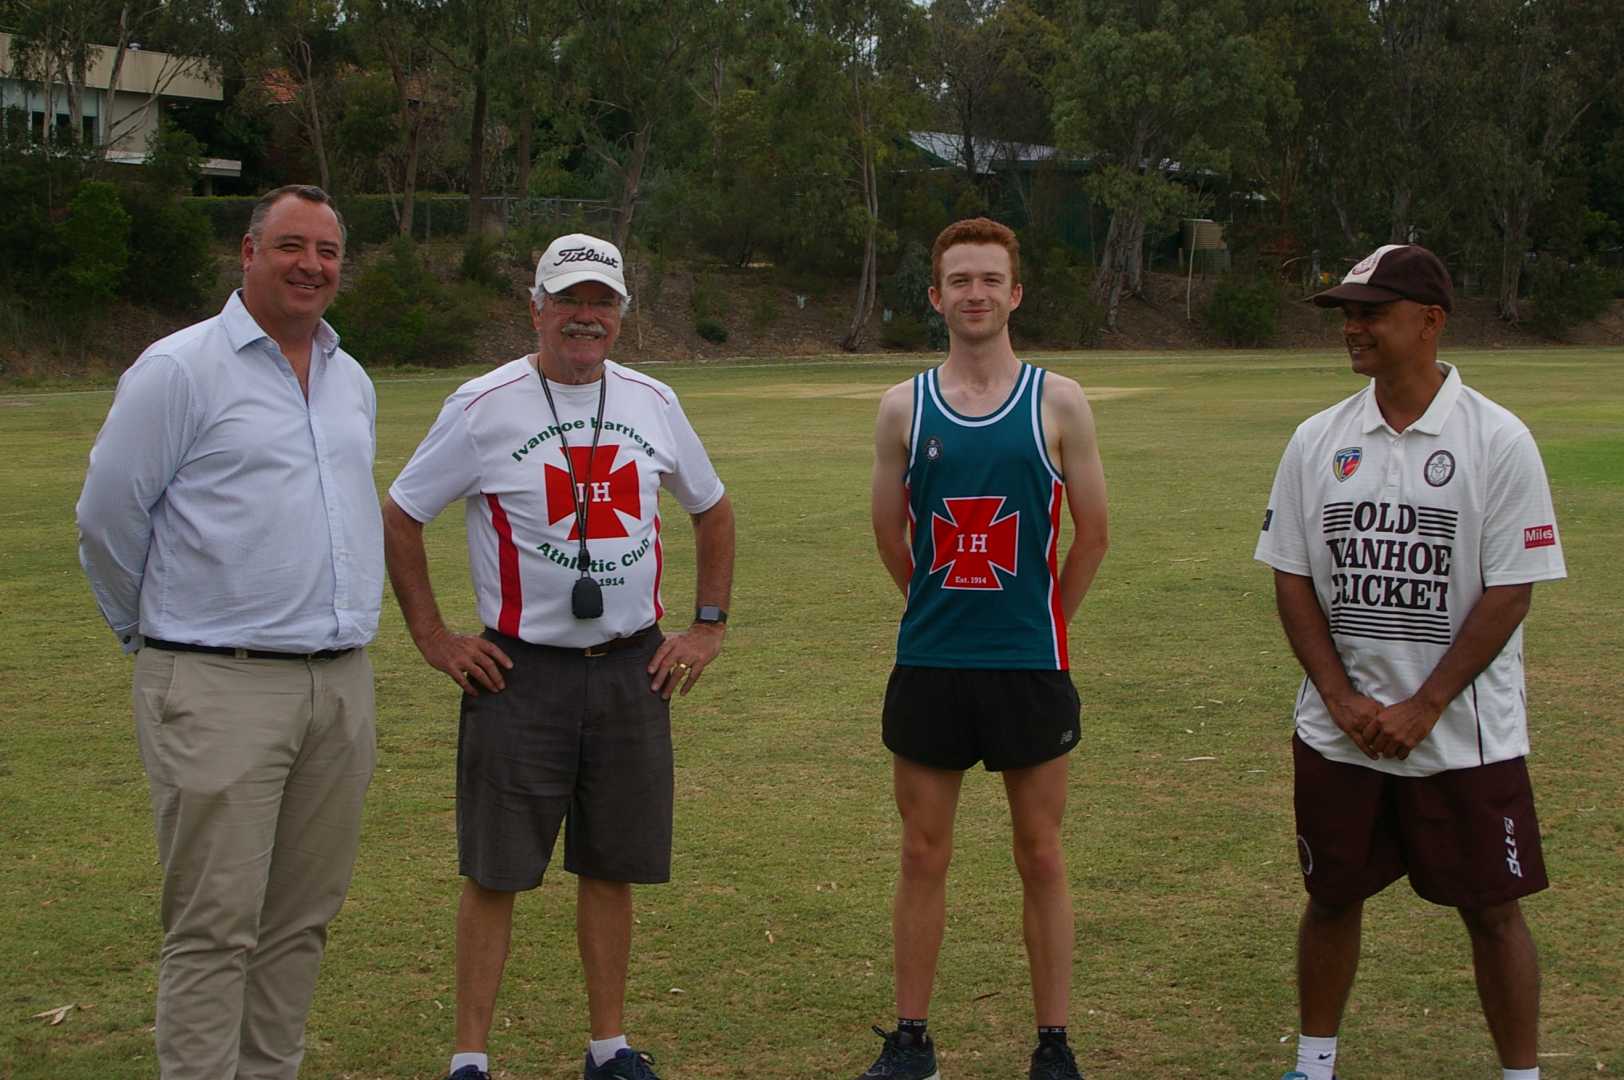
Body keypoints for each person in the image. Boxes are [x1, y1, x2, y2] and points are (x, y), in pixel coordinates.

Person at [383, 232, 735, 1080]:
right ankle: (470, 1057)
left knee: (611, 865)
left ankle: (608, 1045)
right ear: (535, 307)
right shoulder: (483, 404)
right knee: (496, 870)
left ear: (622, 313)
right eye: (570, 300)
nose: (586, 318)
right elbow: (401, 513)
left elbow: (712, 510)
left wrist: (707, 625)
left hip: (630, 667)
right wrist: (434, 637)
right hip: (519, 672)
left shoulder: (652, 401)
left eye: (602, 302)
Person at [75, 185, 383, 1079]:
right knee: (214, 928)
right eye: (291, 245)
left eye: (327, 252)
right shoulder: (180, 369)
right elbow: (106, 519)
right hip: (216, 684)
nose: (311, 266)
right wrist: (155, 634)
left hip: (338, 684)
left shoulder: (347, 377)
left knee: (299, 924)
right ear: (246, 253)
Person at [1255, 244, 1567, 1080]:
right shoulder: (1318, 439)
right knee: (1330, 897)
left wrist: (1425, 705)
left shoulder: (1498, 439)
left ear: (1430, 322)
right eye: (1346, 314)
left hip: (1463, 735)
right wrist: (1340, 697)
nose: (1352, 328)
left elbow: (1511, 591)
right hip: (1339, 732)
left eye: (1371, 313)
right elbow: (1292, 576)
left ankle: (1521, 1075)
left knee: (1493, 912)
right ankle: (1314, 1065)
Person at [863, 218, 1110, 1080]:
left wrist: (1042, 626)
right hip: (931, 664)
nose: (975, 293)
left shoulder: (1060, 401)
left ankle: (1053, 1045)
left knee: (1040, 852)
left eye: (990, 279)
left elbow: (1092, 537)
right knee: (922, 852)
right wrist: (941, 610)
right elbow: (891, 537)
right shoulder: (903, 406)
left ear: (1015, 293)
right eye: (958, 280)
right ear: (935, 297)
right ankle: (911, 1041)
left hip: (1029, 668)